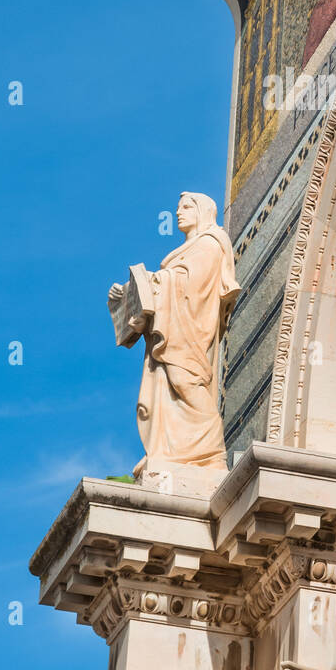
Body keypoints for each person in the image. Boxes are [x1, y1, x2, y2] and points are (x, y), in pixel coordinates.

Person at [109, 193, 240, 477]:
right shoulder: (187, 250)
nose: (178, 212)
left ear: (203, 211)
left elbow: (193, 285)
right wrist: (127, 294)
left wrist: (154, 282)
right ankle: (170, 452)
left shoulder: (210, 243)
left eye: (186, 207)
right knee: (168, 384)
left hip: (191, 328)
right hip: (174, 324)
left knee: (184, 380)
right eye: (178, 207)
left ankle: (212, 451)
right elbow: (171, 283)